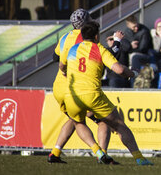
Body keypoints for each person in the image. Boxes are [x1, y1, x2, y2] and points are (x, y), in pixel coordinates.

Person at [64, 22, 151, 165]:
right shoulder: (99, 49)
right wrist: (132, 73)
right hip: (91, 94)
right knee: (119, 125)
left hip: (71, 96)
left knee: (79, 123)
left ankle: (98, 151)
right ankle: (139, 158)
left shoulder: (73, 49)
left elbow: (63, 66)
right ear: (97, 36)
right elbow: (119, 70)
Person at [49, 9, 112, 164]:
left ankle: (55, 153)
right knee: (104, 120)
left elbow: (55, 57)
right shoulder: (84, 38)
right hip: (76, 88)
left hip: (59, 87)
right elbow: (101, 58)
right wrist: (115, 46)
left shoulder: (65, 37)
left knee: (75, 120)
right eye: (90, 18)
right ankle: (101, 154)